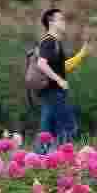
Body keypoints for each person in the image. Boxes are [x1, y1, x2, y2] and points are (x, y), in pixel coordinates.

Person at [31, 8, 89, 146]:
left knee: (47, 133)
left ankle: (42, 156)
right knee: (69, 127)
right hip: (54, 92)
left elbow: (62, 68)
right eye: (61, 19)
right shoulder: (49, 41)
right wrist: (59, 80)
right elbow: (41, 63)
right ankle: (62, 155)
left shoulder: (54, 42)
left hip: (50, 93)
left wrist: (81, 54)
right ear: (51, 22)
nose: (64, 22)